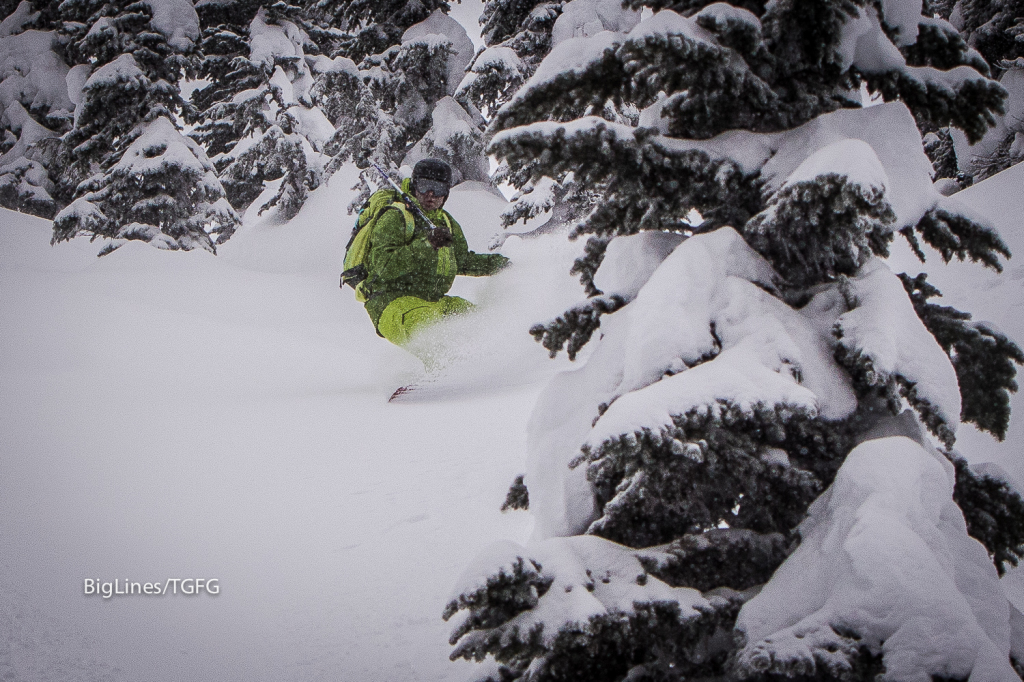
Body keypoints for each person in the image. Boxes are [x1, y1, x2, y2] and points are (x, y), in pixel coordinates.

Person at [360, 158, 509, 347]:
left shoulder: (446, 222)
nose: (430, 194)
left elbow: (461, 261)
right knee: (436, 341)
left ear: (446, 193)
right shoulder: (396, 217)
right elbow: (383, 266)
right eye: (424, 186)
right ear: (414, 186)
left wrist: (504, 265)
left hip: (433, 301)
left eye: (437, 189)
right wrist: (427, 244)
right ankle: (451, 376)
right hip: (392, 303)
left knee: (484, 324)